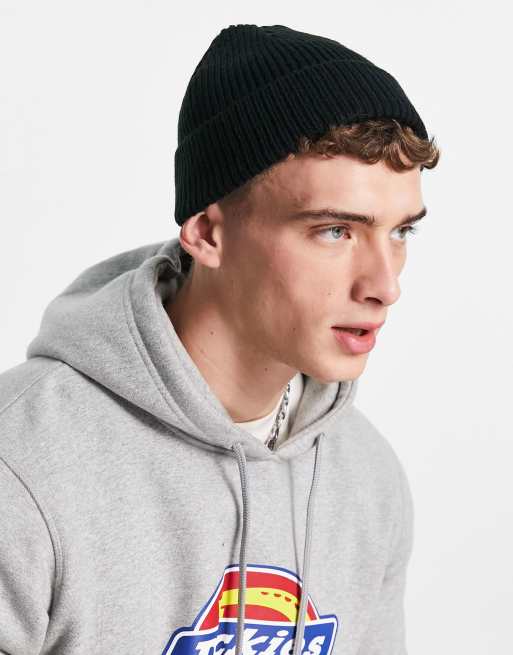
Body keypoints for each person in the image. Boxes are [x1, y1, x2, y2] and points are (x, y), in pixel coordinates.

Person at [0, 23, 440, 655]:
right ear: (208, 233)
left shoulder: (364, 476)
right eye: (335, 231)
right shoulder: (22, 464)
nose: (384, 285)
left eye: (401, 232)